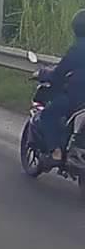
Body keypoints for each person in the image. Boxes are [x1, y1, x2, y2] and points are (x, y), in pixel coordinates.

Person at [35, 9, 85, 166]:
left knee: (48, 115)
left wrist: (44, 74)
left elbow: (59, 73)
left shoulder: (78, 48)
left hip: (77, 99)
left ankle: (56, 153)